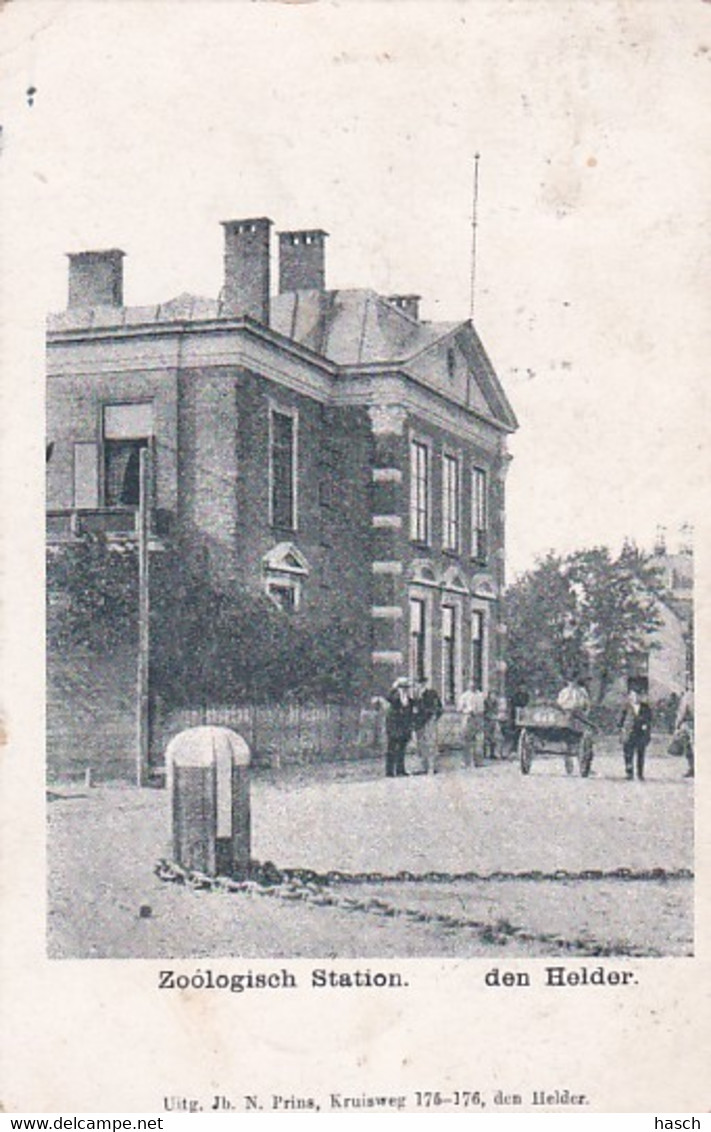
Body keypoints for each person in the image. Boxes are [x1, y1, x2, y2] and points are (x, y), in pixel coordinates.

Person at [618, 688, 653, 781]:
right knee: (628, 754)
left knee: (640, 754)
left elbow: (650, 719)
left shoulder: (646, 707)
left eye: (638, 696)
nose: (636, 698)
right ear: (630, 697)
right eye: (633, 696)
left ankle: (640, 774)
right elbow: (620, 720)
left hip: (640, 734)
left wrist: (646, 725)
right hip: (629, 734)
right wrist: (622, 730)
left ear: (641, 697)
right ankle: (629, 773)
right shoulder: (626, 707)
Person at [412, 678, 443, 774]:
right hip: (419, 723)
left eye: (422, 683)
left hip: (429, 721)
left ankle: (433, 766)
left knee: (431, 744)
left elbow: (439, 707)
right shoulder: (415, 695)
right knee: (420, 745)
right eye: (418, 684)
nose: (419, 686)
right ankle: (422, 767)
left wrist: (434, 717)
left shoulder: (432, 694)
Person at [384, 677, 414, 777]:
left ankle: (400, 770)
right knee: (391, 749)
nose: (404, 689)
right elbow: (388, 697)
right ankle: (389, 771)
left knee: (402, 749)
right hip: (393, 727)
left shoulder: (409, 699)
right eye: (402, 687)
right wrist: (394, 688)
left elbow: (410, 712)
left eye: (406, 687)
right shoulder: (394, 697)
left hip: (404, 727)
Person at [458, 682, 485, 768]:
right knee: (466, 741)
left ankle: (478, 761)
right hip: (468, 718)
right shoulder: (464, 696)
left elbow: (483, 708)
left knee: (479, 740)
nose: (472, 686)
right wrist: (467, 711)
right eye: (471, 685)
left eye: (474, 685)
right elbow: (459, 708)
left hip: (478, 718)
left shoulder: (480, 695)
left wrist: (479, 713)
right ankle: (465, 761)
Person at [675, 682, 694, 779]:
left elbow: (682, 712)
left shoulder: (688, 696)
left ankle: (692, 768)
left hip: (689, 725)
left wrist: (677, 725)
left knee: (689, 747)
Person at [483, 691, 500, 760]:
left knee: (493, 738)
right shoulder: (486, 702)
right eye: (492, 695)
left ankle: (492, 753)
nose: (493, 696)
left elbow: (496, 710)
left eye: (494, 695)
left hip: (493, 720)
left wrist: (495, 716)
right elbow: (484, 711)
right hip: (487, 720)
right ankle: (484, 753)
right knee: (486, 737)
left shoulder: (496, 703)